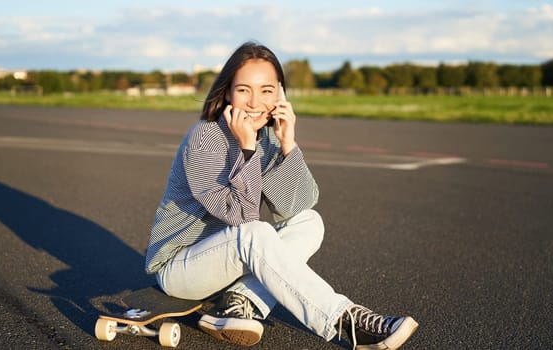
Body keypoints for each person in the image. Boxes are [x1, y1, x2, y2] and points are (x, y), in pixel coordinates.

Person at [144, 41, 418, 349]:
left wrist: (288, 144)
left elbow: (296, 205)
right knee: (255, 232)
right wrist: (247, 150)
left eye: (266, 90)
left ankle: (239, 301)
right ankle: (346, 320)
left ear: (280, 94)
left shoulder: (269, 135)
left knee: (309, 222)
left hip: (231, 259)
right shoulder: (205, 138)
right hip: (180, 267)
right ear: (228, 92)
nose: (255, 102)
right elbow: (243, 217)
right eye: (244, 89)